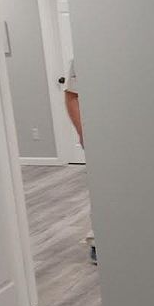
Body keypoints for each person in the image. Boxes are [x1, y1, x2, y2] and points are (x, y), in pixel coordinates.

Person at [64, 59, 96, 264]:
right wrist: (83, 133)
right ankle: (99, 240)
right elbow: (72, 96)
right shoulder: (83, 56)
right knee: (103, 190)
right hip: (101, 138)